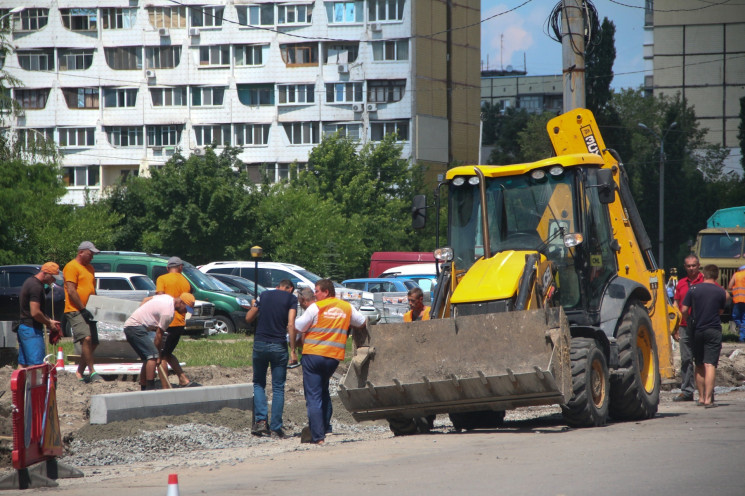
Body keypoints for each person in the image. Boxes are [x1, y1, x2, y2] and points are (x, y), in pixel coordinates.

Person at [294, 279, 367, 444]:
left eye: (317, 291)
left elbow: (298, 326)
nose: (315, 294)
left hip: (313, 355)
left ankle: (318, 436)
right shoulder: (346, 307)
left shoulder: (316, 307)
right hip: (333, 358)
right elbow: (362, 322)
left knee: (313, 395)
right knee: (323, 390)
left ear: (326, 292)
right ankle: (325, 426)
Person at [244, 279, 298, 438]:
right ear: (290, 289)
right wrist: (293, 350)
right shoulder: (291, 299)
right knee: (278, 387)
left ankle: (261, 422)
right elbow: (290, 324)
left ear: (278, 286)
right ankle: (275, 427)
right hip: (278, 346)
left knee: (259, 383)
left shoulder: (264, 295)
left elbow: (248, 318)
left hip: (260, 344)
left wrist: (255, 304)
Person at [123, 293, 195, 391]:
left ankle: (144, 387)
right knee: (152, 356)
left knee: (147, 358)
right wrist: (158, 355)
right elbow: (159, 335)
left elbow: (145, 299)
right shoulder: (168, 314)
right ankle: (150, 388)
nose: (185, 312)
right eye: (186, 308)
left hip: (133, 326)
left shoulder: (166, 297)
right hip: (135, 328)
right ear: (181, 302)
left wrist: (142, 314)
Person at [681, 264, 727, 407]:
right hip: (713, 330)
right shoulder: (721, 292)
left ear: (704, 275)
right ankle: (708, 399)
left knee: (699, 364)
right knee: (710, 364)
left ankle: (700, 398)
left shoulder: (693, 289)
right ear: (716, 276)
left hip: (697, 331)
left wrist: (688, 321)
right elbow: (720, 311)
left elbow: (684, 309)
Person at [155, 256, 200, 387]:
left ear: (168, 268)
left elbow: (160, 298)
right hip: (180, 322)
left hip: (166, 322)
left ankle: (165, 385)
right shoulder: (186, 282)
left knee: (162, 355)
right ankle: (183, 379)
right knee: (168, 353)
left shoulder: (162, 279)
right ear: (181, 267)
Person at [64, 241, 101, 383]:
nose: (92, 257)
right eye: (90, 254)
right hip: (75, 309)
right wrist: (82, 309)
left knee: (94, 343)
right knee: (86, 338)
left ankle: (79, 371)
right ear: (81, 252)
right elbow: (71, 290)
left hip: (89, 309)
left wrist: (96, 309)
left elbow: (92, 289)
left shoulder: (90, 268)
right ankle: (92, 371)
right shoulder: (71, 267)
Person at [17, 263, 63, 368]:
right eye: (53, 277)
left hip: (25, 328)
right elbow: (35, 312)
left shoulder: (31, 281)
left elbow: (36, 311)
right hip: (31, 330)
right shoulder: (36, 287)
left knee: (23, 364)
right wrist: (48, 323)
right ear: (45, 273)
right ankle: (31, 385)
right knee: (36, 365)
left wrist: (49, 321)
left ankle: (18, 384)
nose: (54, 281)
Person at [672, 254, 704, 401]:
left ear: (699, 265)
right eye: (688, 266)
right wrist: (675, 327)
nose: (691, 268)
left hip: (701, 325)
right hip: (684, 326)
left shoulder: (705, 281)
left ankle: (705, 392)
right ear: (685, 267)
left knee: (701, 359)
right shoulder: (681, 284)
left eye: (694, 265)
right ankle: (687, 391)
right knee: (685, 359)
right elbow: (676, 305)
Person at [727, 264, 745, 342]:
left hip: (738, 300)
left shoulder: (736, 275)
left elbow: (730, 286)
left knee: (736, 317)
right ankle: (742, 337)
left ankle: (742, 333)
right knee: (744, 318)